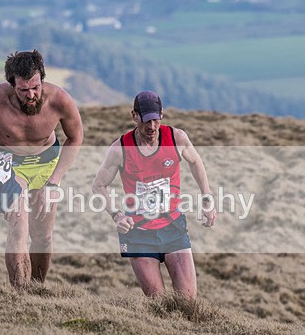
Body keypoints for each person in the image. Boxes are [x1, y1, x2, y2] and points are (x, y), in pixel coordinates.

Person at [0, 50, 84, 287]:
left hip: (46, 165)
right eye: (23, 90)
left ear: (42, 78)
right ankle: (19, 291)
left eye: (35, 87)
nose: (31, 95)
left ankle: (37, 288)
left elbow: (76, 138)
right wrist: (0, 172)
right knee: (19, 224)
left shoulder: (60, 100)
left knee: (43, 236)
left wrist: (54, 182)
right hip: (9, 165)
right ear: (12, 85)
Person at [92, 90, 217, 299]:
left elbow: (195, 162)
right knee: (158, 303)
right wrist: (117, 216)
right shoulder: (120, 149)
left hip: (173, 227)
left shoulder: (176, 138)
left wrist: (207, 199)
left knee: (187, 302)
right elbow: (98, 186)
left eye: (156, 120)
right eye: (146, 121)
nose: (151, 127)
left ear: (162, 115)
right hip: (139, 233)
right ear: (134, 116)